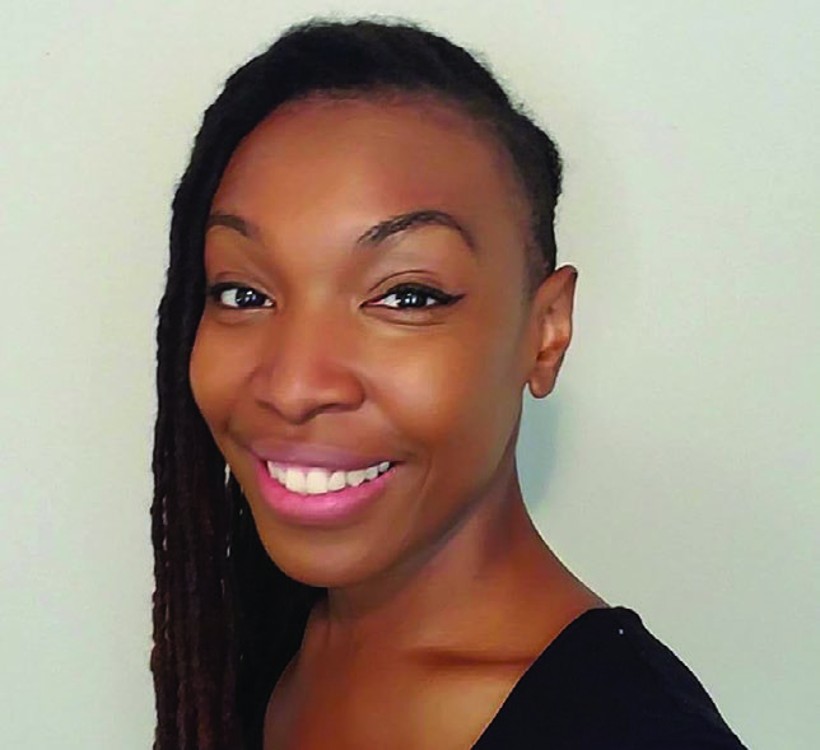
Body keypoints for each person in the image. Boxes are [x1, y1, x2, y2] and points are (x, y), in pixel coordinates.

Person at [151, 19, 747, 750]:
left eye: (406, 296)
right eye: (243, 293)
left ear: (546, 331)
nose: (295, 386)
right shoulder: (260, 648)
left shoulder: (631, 733)